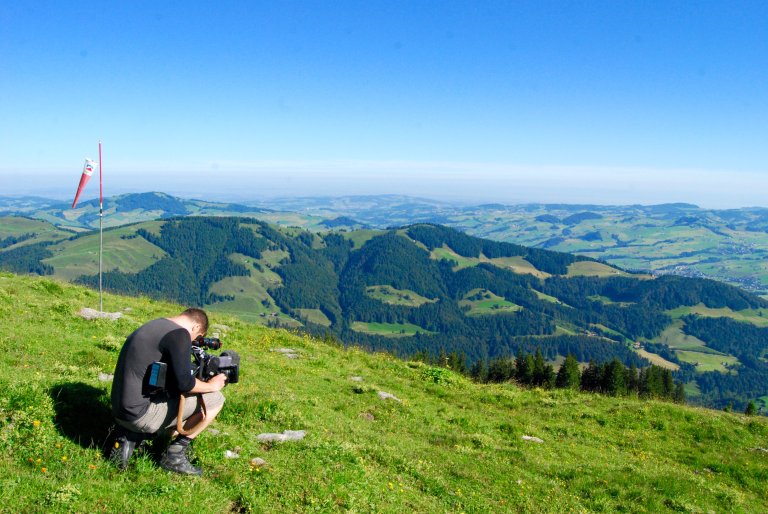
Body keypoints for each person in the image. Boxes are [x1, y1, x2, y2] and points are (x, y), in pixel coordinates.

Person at [110, 308, 227, 475]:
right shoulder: (179, 334)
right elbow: (185, 384)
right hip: (140, 415)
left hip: (120, 411)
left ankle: (136, 436)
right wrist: (212, 386)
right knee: (215, 399)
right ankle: (175, 456)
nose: (192, 341)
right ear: (195, 327)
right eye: (197, 337)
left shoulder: (155, 325)